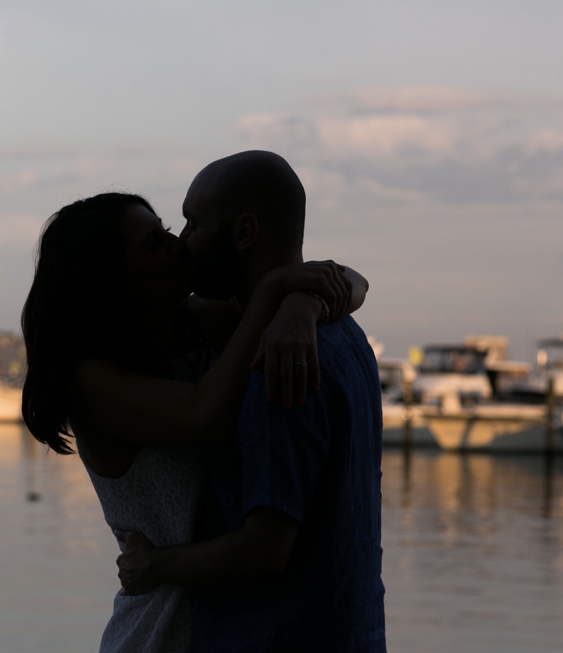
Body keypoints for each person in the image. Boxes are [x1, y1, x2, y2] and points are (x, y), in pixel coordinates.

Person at [21, 187, 368, 652]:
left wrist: (302, 306)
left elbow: (350, 281)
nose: (176, 244)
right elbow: (206, 415)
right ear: (106, 278)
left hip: (224, 622)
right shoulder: (91, 382)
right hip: (161, 631)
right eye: (152, 243)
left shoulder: (193, 327)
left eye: (165, 230)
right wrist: (272, 294)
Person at [115, 151, 386, 652]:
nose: (183, 241)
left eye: (193, 224)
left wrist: (154, 564)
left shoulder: (276, 362)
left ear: (244, 233)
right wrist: (303, 299)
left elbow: (264, 547)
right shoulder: (346, 336)